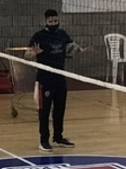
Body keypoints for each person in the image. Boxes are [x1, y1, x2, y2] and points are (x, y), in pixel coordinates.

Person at [25, 9, 86, 152]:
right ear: (46, 22)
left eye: (55, 21)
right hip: (44, 80)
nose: (53, 23)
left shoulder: (62, 34)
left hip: (59, 78)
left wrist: (80, 51)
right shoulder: (39, 36)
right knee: (44, 111)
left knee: (60, 109)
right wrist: (33, 53)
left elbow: (72, 49)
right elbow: (26, 55)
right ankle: (43, 141)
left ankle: (58, 137)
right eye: (50, 21)